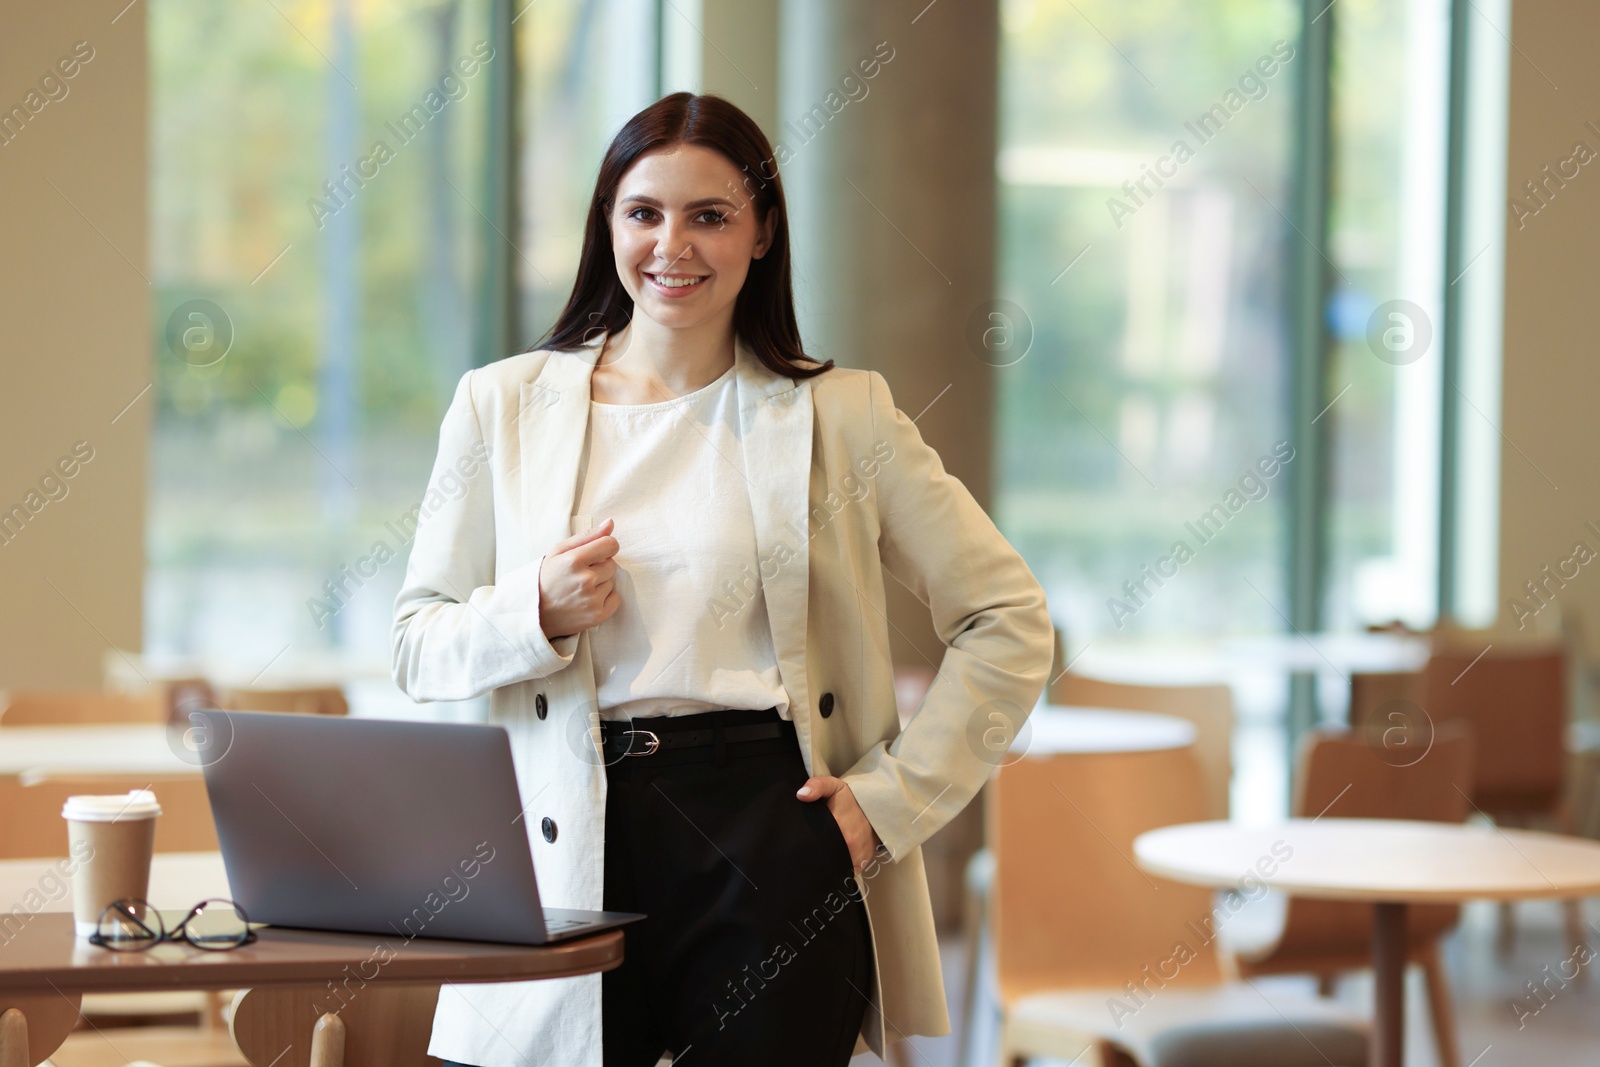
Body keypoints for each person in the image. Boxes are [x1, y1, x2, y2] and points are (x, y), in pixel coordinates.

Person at [392, 91, 1052, 1067]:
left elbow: (1008, 617)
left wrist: (888, 799)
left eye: (710, 215)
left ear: (761, 234)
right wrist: (531, 608)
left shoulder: (844, 416)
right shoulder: (501, 405)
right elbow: (417, 641)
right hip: (564, 827)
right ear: (606, 225)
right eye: (643, 212)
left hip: (772, 830)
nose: (673, 244)